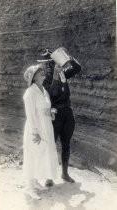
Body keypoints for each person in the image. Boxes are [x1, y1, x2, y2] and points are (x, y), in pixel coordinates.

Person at [42, 49, 81, 184]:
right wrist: (54, 77)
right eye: (48, 64)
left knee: (66, 144)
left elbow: (77, 67)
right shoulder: (45, 80)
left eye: (51, 63)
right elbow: (52, 93)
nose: (49, 67)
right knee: (51, 146)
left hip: (67, 113)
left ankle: (64, 173)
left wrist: (66, 57)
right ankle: (49, 176)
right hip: (55, 115)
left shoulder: (63, 72)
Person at [23, 63, 59, 199]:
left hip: (46, 126)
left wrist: (51, 112)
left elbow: (45, 108)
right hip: (36, 127)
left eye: (42, 71)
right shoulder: (30, 93)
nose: (43, 73)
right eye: (39, 72)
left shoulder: (44, 90)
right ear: (34, 77)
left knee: (42, 154)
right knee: (33, 155)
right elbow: (30, 115)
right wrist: (35, 132)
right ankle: (29, 188)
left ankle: (36, 182)